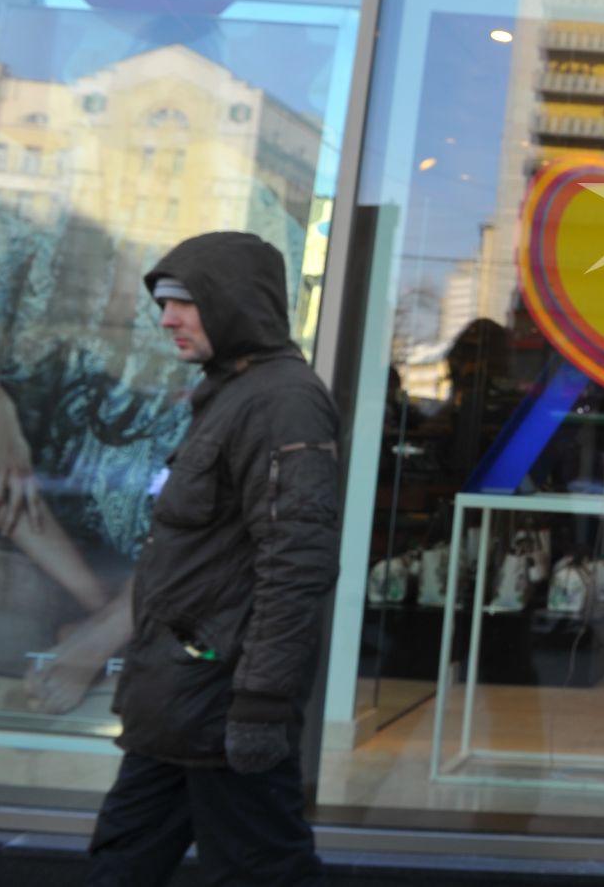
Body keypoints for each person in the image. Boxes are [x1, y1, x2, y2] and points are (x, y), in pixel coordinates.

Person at [85, 231, 342, 887]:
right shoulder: (232, 392)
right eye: (163, 302)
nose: (166, 317)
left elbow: (296, 564)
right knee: (121, 862)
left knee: (262, 871)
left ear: (232, 303)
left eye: (184, 301)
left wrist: (259, 704)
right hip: (178, 705)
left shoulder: (282, 400)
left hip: (222, 710)